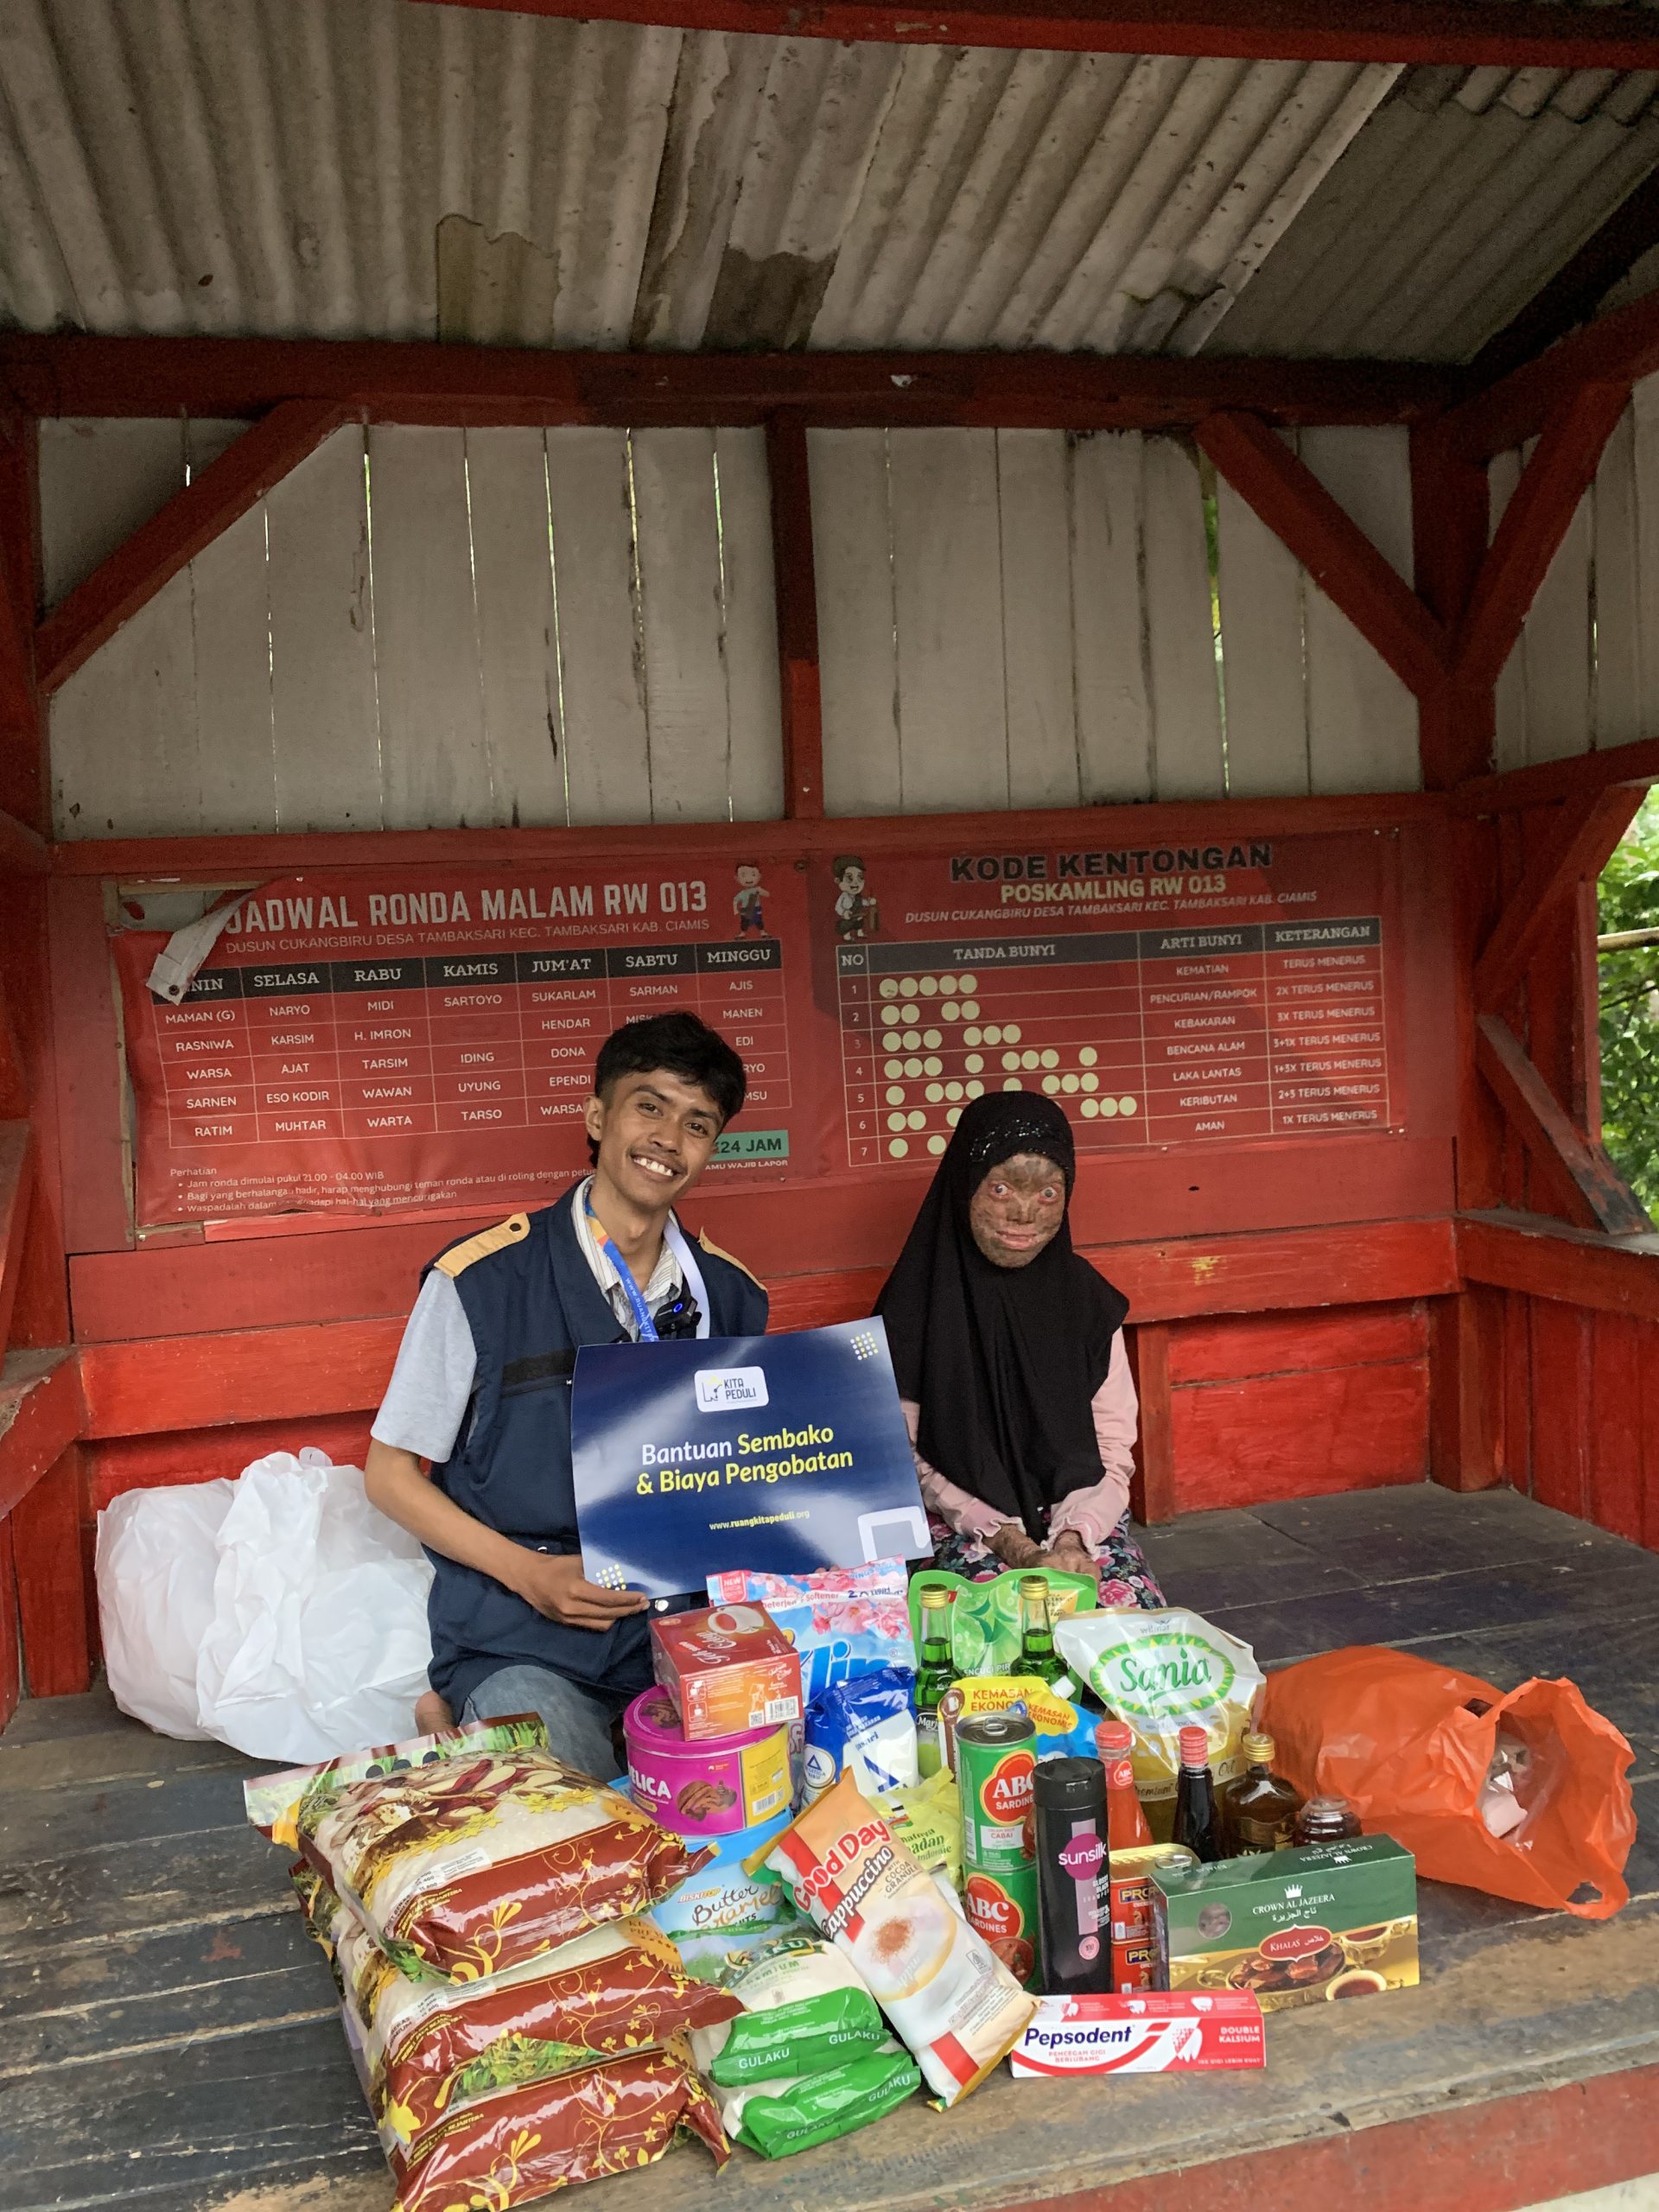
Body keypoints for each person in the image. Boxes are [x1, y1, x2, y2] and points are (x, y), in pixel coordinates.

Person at [365, 1013, 768, 1777]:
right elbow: (387, 1475)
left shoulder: (731, 1295)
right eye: (648, 1107)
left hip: (683, 1630)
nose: (668, 1139)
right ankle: (468, 1721)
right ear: (597, 1117)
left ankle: (461, 1745)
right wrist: (529, 1573)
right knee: (571, 1805)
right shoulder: (481, 1282)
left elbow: (746, 1476)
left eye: (697, 1124)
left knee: (758, 1783)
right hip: (523, 1632)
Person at [874, 1091, 1165, 1609]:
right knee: (990, 1636)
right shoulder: (913, 1307)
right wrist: (1011, 1543)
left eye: (1048, 1193)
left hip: (1076, 1515)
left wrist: (1072, 1538)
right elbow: (909, 1458)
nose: (1024, 1213)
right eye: (1001, 1188)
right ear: (965, 1186)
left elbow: (1112, 1447)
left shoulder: (1087, 1304)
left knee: (1126, 1630)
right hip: (959, 1518)